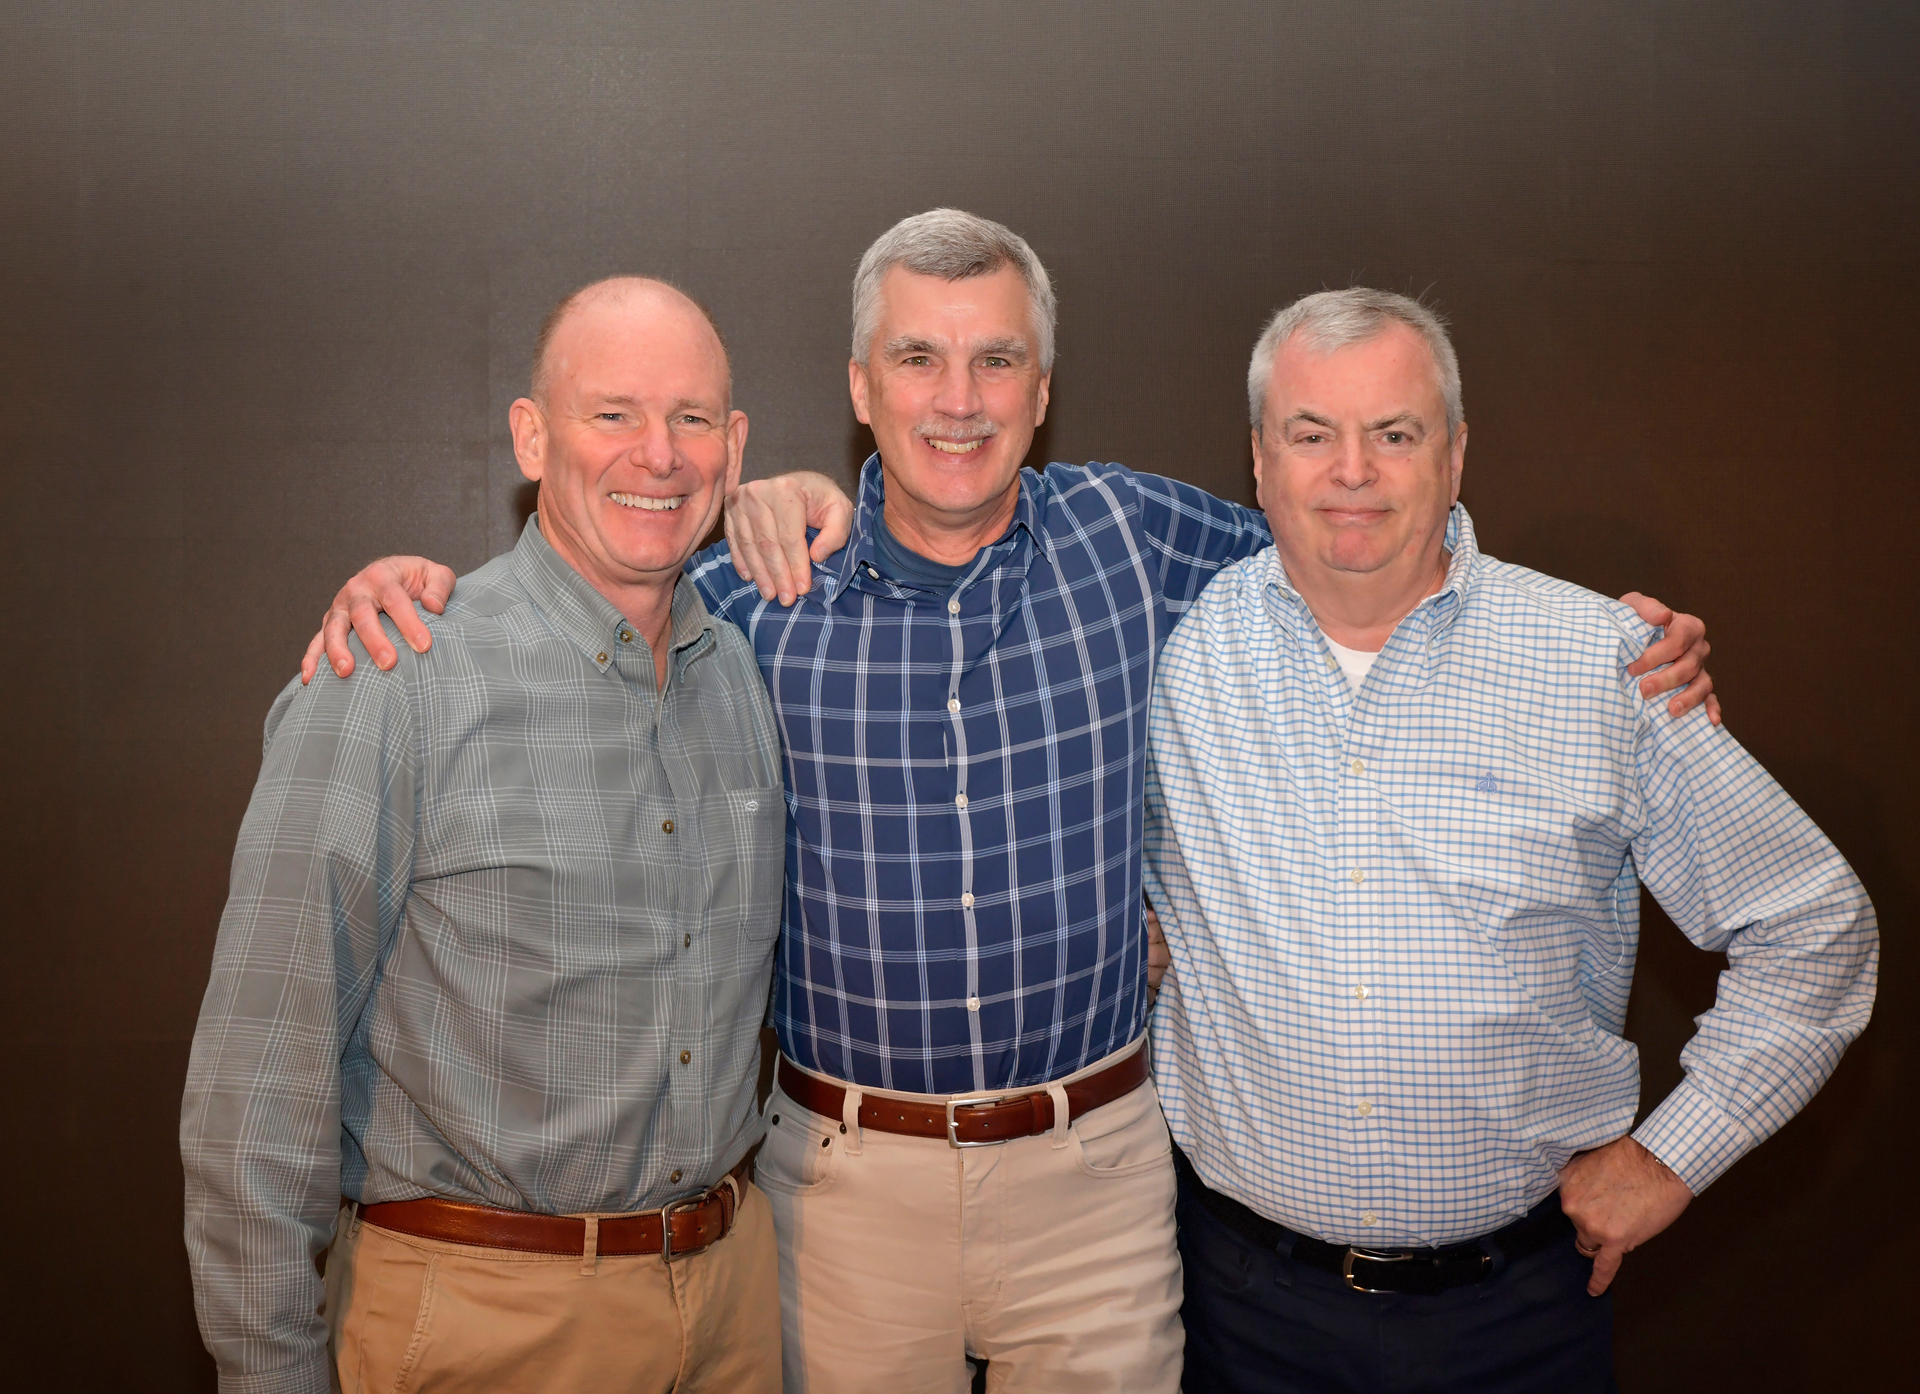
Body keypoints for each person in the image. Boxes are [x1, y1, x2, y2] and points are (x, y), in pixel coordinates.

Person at [301, 211, 1716, 1393]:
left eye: (997, 361)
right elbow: (578, 598)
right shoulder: (749, 593)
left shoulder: (1145, 539)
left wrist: (1607, 642)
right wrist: (415, 591)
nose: (958, 398)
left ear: (1043, 390)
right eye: (918, 358)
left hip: (1096, 1176)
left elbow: (1361, 534)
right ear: (861, 384)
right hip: (840, 1181)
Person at [1143, 288, 1877, 1393]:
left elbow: (1815, 923)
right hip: (1243, 1313)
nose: (1353, 470)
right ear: (1257, 459)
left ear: (1456, 453)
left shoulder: (1604, 661)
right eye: (1312, 433)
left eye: (1395, 433)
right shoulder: (1173, 644)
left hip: (1514, 1320)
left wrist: (1673, 1154)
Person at [181, 278, 787, 1394]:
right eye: (612, 412)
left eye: (693, 418)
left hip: (733, 1310)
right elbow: (258, 1081)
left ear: (734, 443)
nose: (657, 452)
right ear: (530, 434)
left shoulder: (742, 677)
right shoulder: (395, 675)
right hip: (480, 1325)